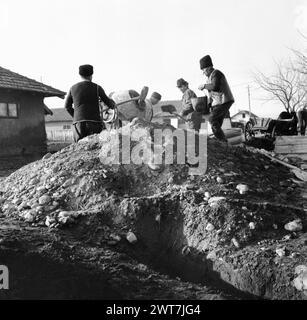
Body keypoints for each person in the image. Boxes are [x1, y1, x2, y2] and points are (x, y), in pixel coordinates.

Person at [64, 64, 115, 142]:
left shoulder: (72, 88)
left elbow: (67, 106)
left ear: (80, 75)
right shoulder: (97, 88)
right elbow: (109, 103)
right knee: (95, 148)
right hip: (94, 123)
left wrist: (76, 116)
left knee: (79, 149)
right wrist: (114, 104)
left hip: (78, 125)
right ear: (91, 75)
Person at [198, 55, 234, 142]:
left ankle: (223, 141)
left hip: (224, 100)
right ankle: (220, 139)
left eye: (203, 70)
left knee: (212, 119)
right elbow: (211, 94)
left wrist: (204, 86)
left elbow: (215, 87)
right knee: (216, 122)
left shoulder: (216, 73)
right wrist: (209, 105)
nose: (203, 72)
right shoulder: (209, 78)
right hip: (219, 102)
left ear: (209, 67)